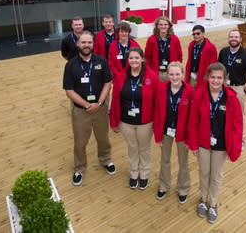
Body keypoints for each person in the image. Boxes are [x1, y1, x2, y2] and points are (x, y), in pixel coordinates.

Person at [186, 63, 243, 224]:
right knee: (204, 173)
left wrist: (236, 146)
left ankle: (213, 203)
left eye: (219, 77)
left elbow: (238, 123)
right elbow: (193, 121)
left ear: (225, 79)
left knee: (216, 176)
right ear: (207, 78)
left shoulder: (231, 97)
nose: (216, 81)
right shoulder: (199, 95)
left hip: (222, 145)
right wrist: (193, 145)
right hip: (203, 144)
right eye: (213, 77)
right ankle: (203, 199)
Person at [63, 31, 115, 186]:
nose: (86, 45)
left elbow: (108, 83)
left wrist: (99, 103)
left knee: (103, 137)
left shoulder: (102, 61)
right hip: (81, 111)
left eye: (89, 42)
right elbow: (69, 91)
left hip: (100, 108)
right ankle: (79, 168)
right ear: (78, 44)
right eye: (83, 42)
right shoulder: (70, 64)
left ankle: (105, 160)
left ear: (93, 44)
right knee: (80, 141)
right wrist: (87, 105)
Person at [110, 47, 159, 190]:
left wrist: (157, 122)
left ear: (142, 59)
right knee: (132, 148)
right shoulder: (120, 76)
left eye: (137, 58)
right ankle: (133, 173)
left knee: (144, 149)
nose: (134, 60)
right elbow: (115, 99)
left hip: (145, 122)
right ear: (128, 60)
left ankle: (144, 174)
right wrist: (114, 120)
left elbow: (157, 101)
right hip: (126, 122)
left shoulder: (152, 77)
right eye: (131, 58)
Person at [152, 62, 194, 203]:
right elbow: (157, 112)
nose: (175, 77)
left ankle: (183, 188)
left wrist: (190, 139)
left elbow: (192, 118)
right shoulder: (162, 88)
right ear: (167, 74)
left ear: (183, 74)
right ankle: (164, 186)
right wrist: (157, 134)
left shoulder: (190, 91)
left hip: (183, 133)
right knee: (164, 159)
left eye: (177, 74)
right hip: (165, 131)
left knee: (183, 162)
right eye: (171, 74)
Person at [218, 29, 246, 142]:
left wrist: (245, 90)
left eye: (236, 37)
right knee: (223, 111)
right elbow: (219, 69)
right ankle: (224, 135)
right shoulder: (223, 52)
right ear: (228, 39)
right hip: (224, 87)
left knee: (240, 114)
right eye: (231, 37)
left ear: (240, 39)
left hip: (238, 89)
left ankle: (241, 139)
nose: (233, 39)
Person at [144, 16, 183, 81]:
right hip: (156, 72)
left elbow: (179, 56)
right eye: (161, 24)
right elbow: (147, 57)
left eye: (165, 24)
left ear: (169, 26)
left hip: (171, 73)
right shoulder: (151, 39)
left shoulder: (175, 39)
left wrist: (176, 70)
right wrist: (150, 71)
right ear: (157, 26)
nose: (163, 26)